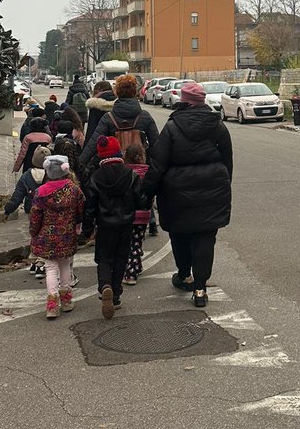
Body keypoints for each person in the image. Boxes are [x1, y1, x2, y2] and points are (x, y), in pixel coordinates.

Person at [141, 81, 232, 309]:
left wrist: (145, 193)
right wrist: (222, 184)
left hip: (177, 192)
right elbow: (227, 162)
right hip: (212, 189)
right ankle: (200, 289)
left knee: (180, 235)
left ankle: (184, 275)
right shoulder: (218, 126)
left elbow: (158, 164)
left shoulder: (172, 127)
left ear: (184, 101)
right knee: (205, 238)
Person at [82, 136, 140, 319]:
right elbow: (141, 200)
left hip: (105, 225)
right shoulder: (131, 175)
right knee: (121, 258)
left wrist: (87, 228)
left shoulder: (95, 178)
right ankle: (115, 294)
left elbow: (90, 206)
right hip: (126, 225)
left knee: (104, 258)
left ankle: (104, 285)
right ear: (118, 153)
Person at [29, 155, 85, 319]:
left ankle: (52, 304)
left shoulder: (40, 192)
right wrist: (78, 223)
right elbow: (80, 208)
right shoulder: (74, 189)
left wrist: (34, 231)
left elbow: (35, 216)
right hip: (67, 234)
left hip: (47, 237)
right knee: (65, 266)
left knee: (50, 269)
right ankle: (66, 299)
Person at [81, 73, 160, 166]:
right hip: (139, 167)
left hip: (114, 169)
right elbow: (157, 146)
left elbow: (92, 145)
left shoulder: (108, 118)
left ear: (116, 92)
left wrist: (79, 165)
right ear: (135, 92)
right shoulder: (145, 117)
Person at [123, 141, 150, 284]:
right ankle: (134, 269)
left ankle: (131, 271)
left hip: (127, 213)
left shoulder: (124, 172)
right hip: (143, 213)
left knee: (129, 242)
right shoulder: (147, 172)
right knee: (137, 241)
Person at [4, 144, 49, 220]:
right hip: (47, 207)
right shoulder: (51, 175)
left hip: (31, 207)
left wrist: (8, 210)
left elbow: (17, 195)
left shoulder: (26, 176)